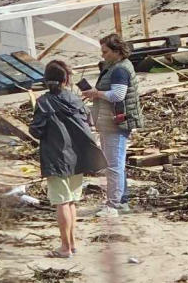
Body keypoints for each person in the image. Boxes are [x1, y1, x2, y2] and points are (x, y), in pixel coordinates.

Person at [30, 60, 107, 259]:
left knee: (62, 202)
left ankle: (65, 247)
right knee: (71, 201)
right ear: (66, 79)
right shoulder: (75, 99)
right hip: (78, 157)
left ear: (47, 80)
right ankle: (71, 244)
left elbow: (36, 131)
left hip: (56, 157)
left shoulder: (43, 102)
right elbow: (88, 123)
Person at [81, 34, 143, 217]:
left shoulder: (119, 70)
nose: (103, 55)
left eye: (105, 52)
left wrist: (96, 93)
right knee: (116, 163)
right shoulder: (115, 66)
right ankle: (121, 201)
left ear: (116, 51)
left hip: (116, 122)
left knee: (114, 164)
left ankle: (114, 205)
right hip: (112, 120)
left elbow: (118, 95)